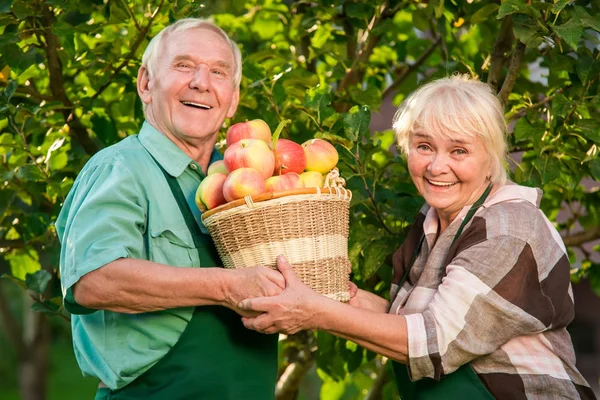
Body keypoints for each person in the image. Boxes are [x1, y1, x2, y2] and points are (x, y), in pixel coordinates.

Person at [238, 75, 597, 399]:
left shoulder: (508, 230)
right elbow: (409, 319)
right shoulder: (435, 221)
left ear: (490, 159)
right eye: (424, 146)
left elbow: (434, 340)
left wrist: (315, 312)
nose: (436, 167)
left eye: (459, 150)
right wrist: (333, 294)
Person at [56, 18, 285, 400]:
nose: (201, 82)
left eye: (218, 72)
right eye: (184, 65)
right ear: (146, 84)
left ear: (232, 99)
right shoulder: (121, 168)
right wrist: (228, 286)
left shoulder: (251, 180)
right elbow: (93, 281)